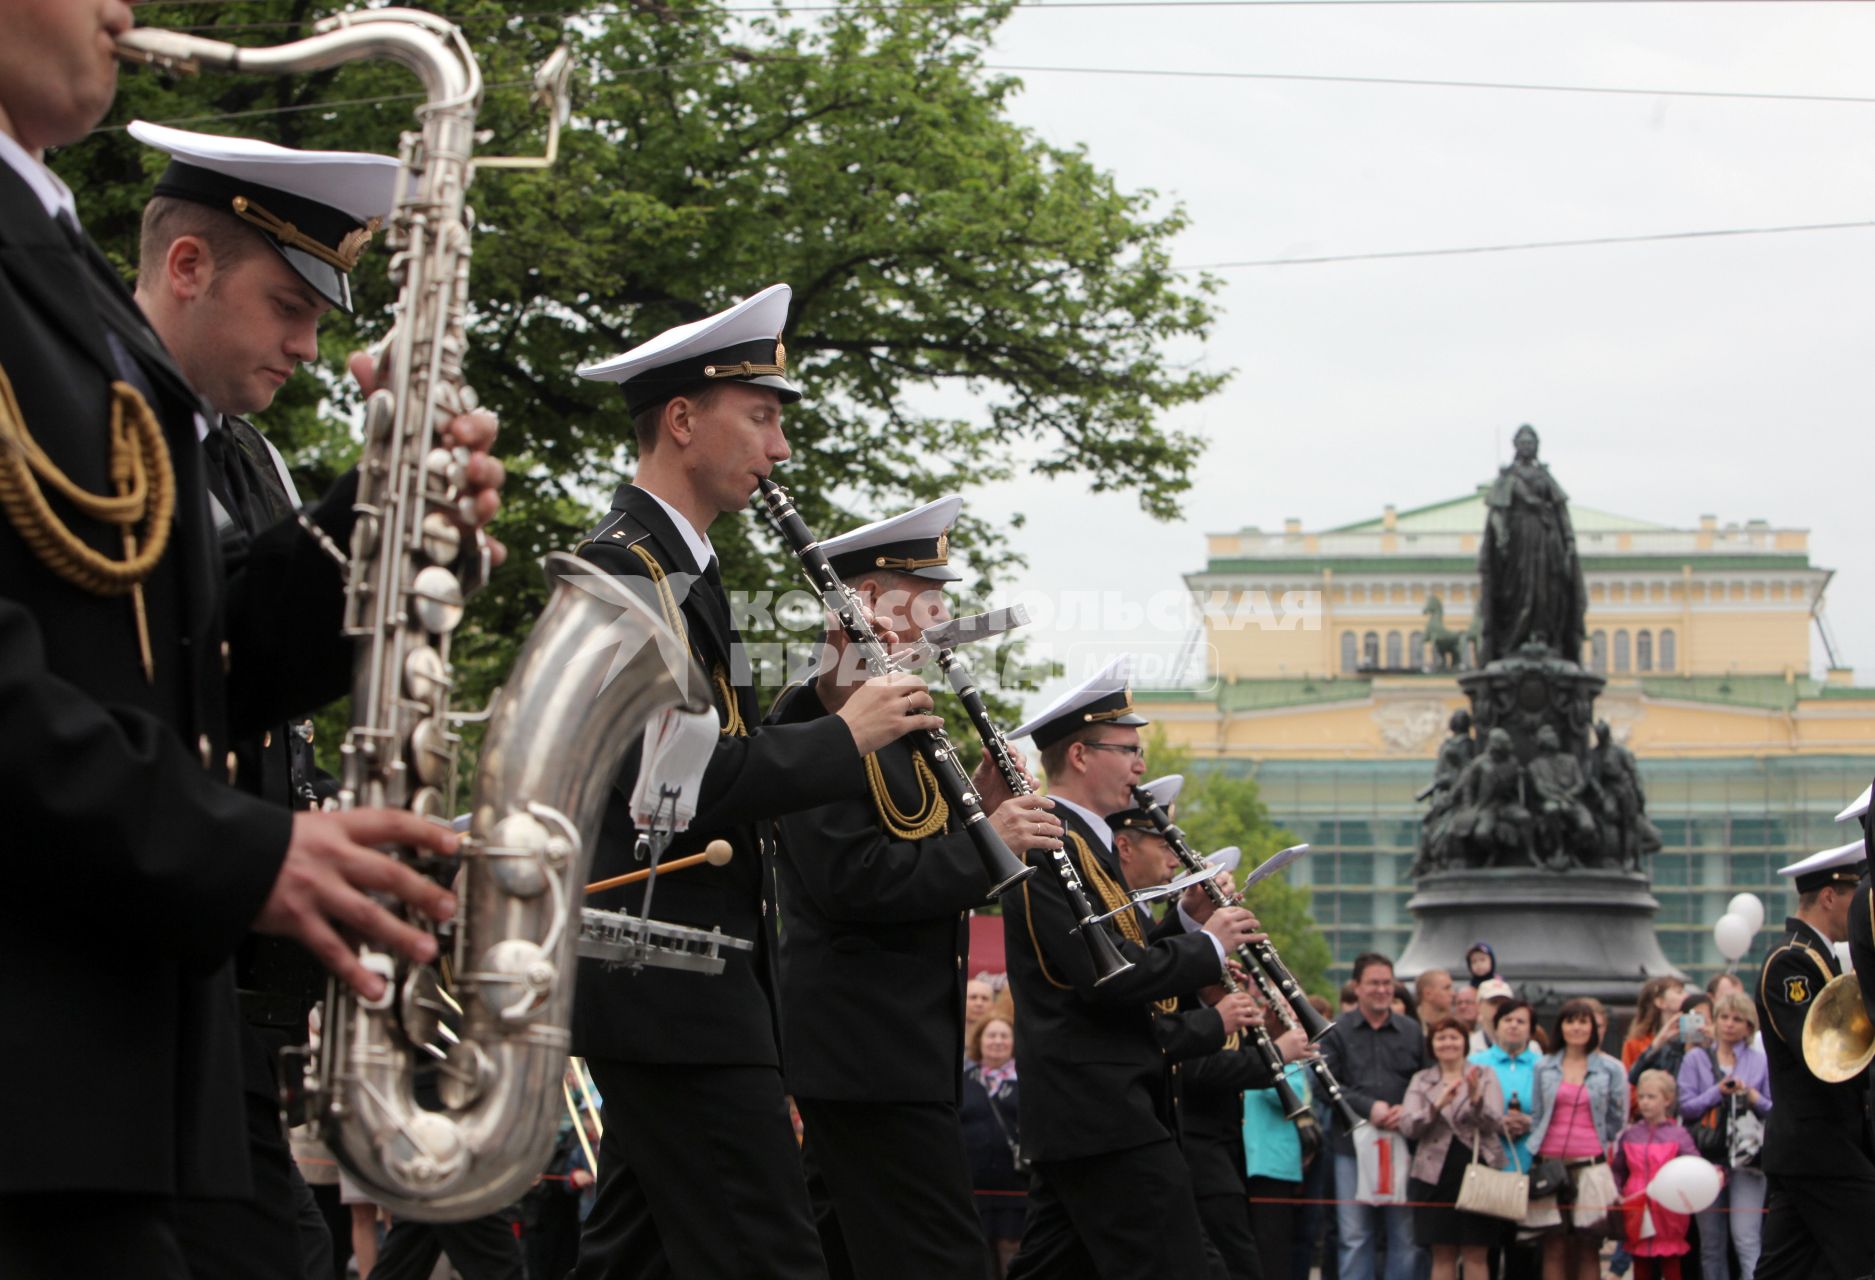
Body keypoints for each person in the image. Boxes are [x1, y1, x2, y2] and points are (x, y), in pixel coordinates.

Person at [0, 8, 489, 1274]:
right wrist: (237, 846)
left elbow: (184, 663)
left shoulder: (50, 256)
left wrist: (389, 520)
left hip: (115, 1066)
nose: (122, 9)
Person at [567, 283, 948, 1280]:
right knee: (770, 1254)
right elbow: (668, 781)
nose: (779, 449)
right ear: (684, 420)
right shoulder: (630, 571)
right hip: (669, 977)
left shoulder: (681, 567)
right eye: (763, 417)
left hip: (680, 969)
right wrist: (845, 733)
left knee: (633, 1256)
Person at [129, 119, 408, 1280]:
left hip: (230, 973)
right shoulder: (106, 412)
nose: (308, 341)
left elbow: (243, 660)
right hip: (143, 953)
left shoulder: (242, 451)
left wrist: (396, 488)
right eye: (289, 301)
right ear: (188, 268)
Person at [768, 497, 1062, 1279]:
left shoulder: (898, 723)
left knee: (834, 1253)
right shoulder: (813, 717)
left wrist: (984, 811)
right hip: (866, 1052)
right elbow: (851, 881)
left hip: (897, 1047)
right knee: (938, 1259)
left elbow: (911, 855)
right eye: (925, 599)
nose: (939, 620)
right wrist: (988, 849)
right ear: (867, 605)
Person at [999, 658, 1265, 1280]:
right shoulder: (1051, 842)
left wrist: (1190, 923)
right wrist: (1211, 949)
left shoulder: (1083, 841)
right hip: (1101, 1113)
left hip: (1095, 1110)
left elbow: (1118, 955)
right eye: (1129, 750)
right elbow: (1103, 977)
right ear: (1083, 756)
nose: (1141, 767)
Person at [1752, 839, 1875, 1280]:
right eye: (1854, 897)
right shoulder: (1791, 961)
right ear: (1829, 896)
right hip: (1819, 1145)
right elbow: (1819, 1054)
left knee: (1787, 1269)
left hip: (1813, 1147)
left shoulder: (1820, 957)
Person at [1319, 952, 1431, 1280]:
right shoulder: (1336, 1032)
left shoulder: (1412, 1032)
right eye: (1374, 983)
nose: (1382, 990)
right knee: (1354, 1236)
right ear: (1356, 987)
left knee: (1404, 1236)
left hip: (1402, 1145)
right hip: (1350, 1149)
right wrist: (1370, 1108)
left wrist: (1407, 1109)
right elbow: (1326, 1084)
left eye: (1387, 983)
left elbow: (1426, 1079)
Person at [1399, 1018, 1507, 1280]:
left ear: (1465, 1042)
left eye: (1454, 1037)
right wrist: (1436, 1105)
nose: (1448, 1043)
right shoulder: (1422, 1079)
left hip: (1477, 1170)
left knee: (1476, 1254)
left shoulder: (1483, 1074)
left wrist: (1476, 1099)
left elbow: (1495, 1122)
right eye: (1441, 1038)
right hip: (1434, 1175)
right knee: (1442, 1252)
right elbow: (1408, 1126)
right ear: (1432, 1045)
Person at [1527, 1000, 1628, 1280]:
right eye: (1570, 1021)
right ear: (1560, 1026)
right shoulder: (1543, 1067)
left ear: (1593, 1028)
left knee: (1588, 1245)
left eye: (1583, 1022)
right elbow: (1537, 1114)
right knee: (1553, 1245)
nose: (1577, 1028)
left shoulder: (1612, 1068)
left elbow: (1616, 1119)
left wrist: (1597, 1144)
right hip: (1549, 1163)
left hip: (1591, 1165)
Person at [1675, 992, 1770, 1280]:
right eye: (1724, 1018)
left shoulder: (1760, 1061)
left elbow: (1774, 1109)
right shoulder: (1696, 1058)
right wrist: (1718, 1091)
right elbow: (1685, 1107)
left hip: (1748, 1158)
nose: (1729, 1024)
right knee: (1711, 1244)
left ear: (1749, 1026)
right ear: (1714, 1022)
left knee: (1747, 1238)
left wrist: (1752, 1096)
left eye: (1737, 1019)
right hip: (1707, 1158)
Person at [1610, 1071, 1698, 1280]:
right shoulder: (1630, 1134)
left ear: (1667, 1100)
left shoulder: (1679, 1134)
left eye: (1651, 1097)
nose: (1645, 1102)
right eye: (1641, 1097)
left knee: (1671, 1262)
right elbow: (1618, 1170)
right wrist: (1617, 1194)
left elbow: (1694, 1166)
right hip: (1636, 1205)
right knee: (1640, 1263)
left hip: (1669, 1209)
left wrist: (1716, 1175)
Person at [1243, 1058, 1319, 1280]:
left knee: (1272, 1252)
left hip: (1272, 1165)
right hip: (1238, 1162)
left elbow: (1295, 1096)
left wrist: (1259, 1065)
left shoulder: (1286, 1054)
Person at [962, 1017, 1025, 1279]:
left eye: (1004, 1036)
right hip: (974, 1184)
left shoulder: (1025, 1080)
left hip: (1016, 1185)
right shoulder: (964, 1079)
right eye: (991, 1036)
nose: (998, 1041)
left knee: (1012, 1249)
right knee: (979, 1249)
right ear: (979, 1041)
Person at [1629, 993, 1711, 1093]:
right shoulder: (1670, 1051)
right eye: (1691, 1018)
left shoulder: (1717, 1053)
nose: (1695, 1024)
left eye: (1700, 1019)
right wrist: (1659, 1040)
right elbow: (1634, 1077)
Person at [1621, 978, 1687, 1078]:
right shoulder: (1636, 1043)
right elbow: (1630, 1078)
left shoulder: (1690, 1037)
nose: (1687, 996)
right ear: (1660, 1002)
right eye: (1679, 992)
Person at [966, 978, 998, 1061]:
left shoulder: (1000, 1038)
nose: (979, 1003)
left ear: (993, 1005)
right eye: (973, 997)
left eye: (985, 998)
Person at [1453, 985, 1485, 1053]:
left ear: (1480, 1005)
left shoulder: (1488, 1032)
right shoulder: (1449, 1031)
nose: (1463, 1006)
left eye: (1468, 1002)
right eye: (1459, 1003)